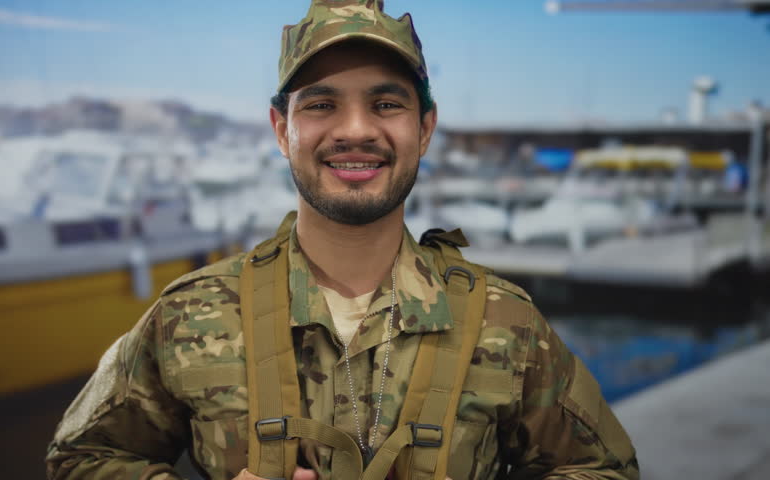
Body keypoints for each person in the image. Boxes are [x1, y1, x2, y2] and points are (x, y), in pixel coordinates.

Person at [46, 1, 639, 479]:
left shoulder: (506, 321)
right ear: (283, 129)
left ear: (424, 128)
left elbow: (604, 467)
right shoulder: (189, 314)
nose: (356, 130)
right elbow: (79, 458)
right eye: (323, 103)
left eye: (386, 103)